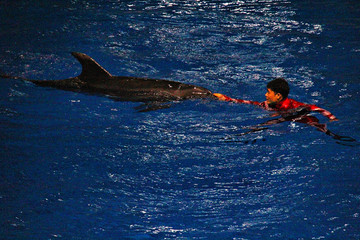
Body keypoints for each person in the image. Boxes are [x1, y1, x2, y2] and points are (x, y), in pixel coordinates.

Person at [214, 78, 354, 142]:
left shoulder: (293, 105)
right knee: (263, 125)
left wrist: (332, 118)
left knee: (326, 131)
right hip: (284, 119)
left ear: (278, 95)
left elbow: (316, 108)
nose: (266, 95)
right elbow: (250, 103)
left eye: (269, 92)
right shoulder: (269, 104)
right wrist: (226, 98)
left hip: (303, 119)